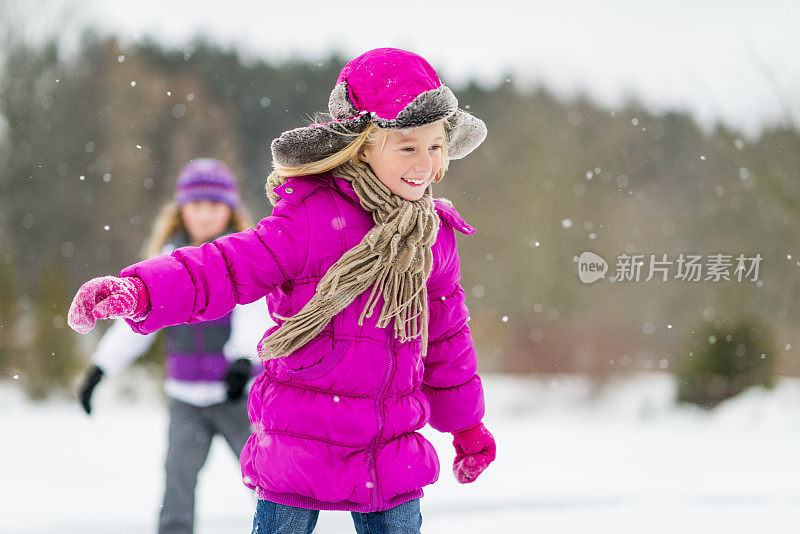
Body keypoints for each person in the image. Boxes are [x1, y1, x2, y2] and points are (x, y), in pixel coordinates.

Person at [68, 47, 496, 534]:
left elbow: (445, 337)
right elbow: (226, 267)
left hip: (389, 444)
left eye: (436, 146)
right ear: (360, 145)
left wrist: (467, 423)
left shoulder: (431, 235)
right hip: (301, 436)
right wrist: (141, 290)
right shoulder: (312, 217)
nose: (426, 164)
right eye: (407, 147)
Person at [74, 158, 271, 534]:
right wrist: (100, 369)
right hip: (186, 399)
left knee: (266, 480)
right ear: (182, 210)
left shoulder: (244, 254)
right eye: (196, 205)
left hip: (239, 396)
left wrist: (243, 359)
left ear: (229, 208)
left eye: (214, 205)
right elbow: (138, 323)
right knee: (177, 482)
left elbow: (256, 311)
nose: (204, 214)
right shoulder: (167, 261)